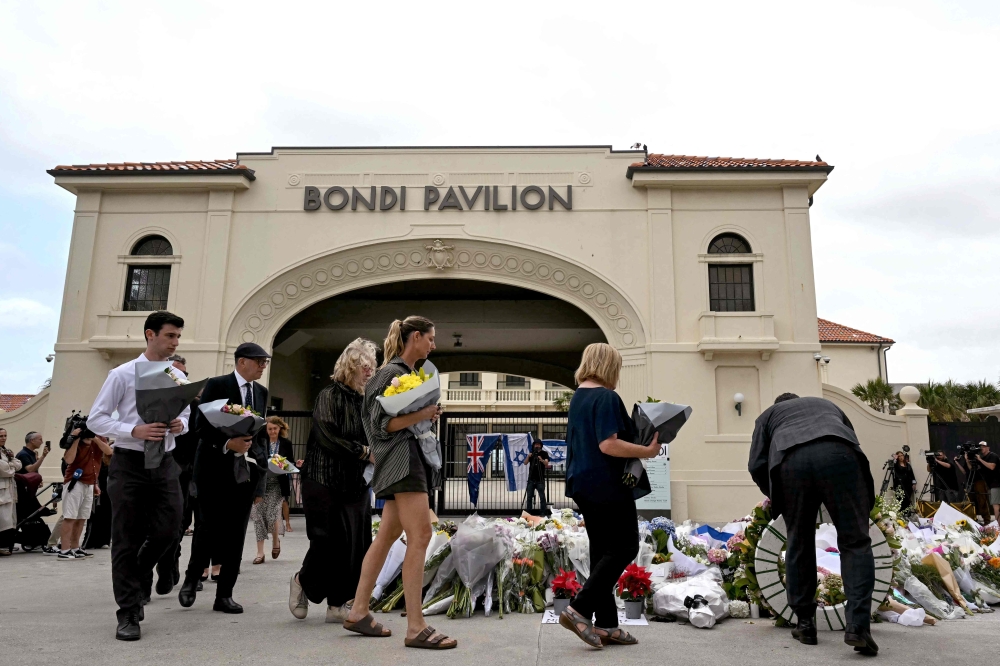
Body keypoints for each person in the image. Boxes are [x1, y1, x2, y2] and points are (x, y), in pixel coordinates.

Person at [343, 316, 457, 650]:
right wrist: (422, 414)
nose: (433, 345)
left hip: (402, 461)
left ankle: (359, 611)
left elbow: (393, 421)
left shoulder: (402, 374)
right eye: (431, 339)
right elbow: (381, 426)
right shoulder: (390, 373)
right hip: (402, 462)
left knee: (387, 536)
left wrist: (424, 412)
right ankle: (415, 626)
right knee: (421, 535)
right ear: (416, 337)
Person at [749, 393, 878, 655]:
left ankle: (805, 624)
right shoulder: (828, 405)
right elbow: (849, 437)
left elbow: (756, 464)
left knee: (799, 542)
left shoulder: (768, 417)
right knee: (855, 542)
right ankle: (857, 626)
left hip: (791, 462)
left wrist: (776, 496)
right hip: (840, 456)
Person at [88, 310, 191, 641]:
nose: (175, 342)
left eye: (177, 337)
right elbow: (96, 420)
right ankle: (129, 612)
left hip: (164, 461)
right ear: (150, 335)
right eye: (170, 336)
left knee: (171, 526)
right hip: (129, 462)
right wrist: (133, 429)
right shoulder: (121, 374)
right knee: (126, 538)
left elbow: (187, 415)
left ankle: (138, 573)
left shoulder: (178, 377)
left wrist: (180, 424)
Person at [558, 343, 659, 649]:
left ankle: (606, 625)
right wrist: (647, 451)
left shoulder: (579, 397)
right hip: (607, 483)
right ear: (609, 366)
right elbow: (608, 444)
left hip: (584, 484)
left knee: (603, 551)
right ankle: (579, 608)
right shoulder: (606, 396)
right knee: (626, 545)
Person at [178, 342, 271, 615]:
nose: (263, 366)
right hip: (212, 470)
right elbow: (201, 427)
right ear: (242, 362)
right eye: (259, 362)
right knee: (206, 527)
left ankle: (225, 595)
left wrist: (263, 464)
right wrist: (227, 444)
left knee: (235, 534)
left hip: (245, 474)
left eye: (265, 362)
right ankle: (192, 577)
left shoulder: (261, 393)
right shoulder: (217, 385)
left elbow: (259, 432)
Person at [289, 338, 376, 623]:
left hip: (356, 482)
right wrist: (364, 451)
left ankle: (337, 604)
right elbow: (328, 437)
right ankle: (302, 581)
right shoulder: (328, 395)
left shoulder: (367, 401)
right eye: (365, 366)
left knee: (355, 544)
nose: (369, 372)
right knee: (327, 541)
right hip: (323, 478)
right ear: (350, 366)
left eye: (372, 367)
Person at [153, 355, 199, 595]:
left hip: (184, 473)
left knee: (178, 524)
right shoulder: (148, 400)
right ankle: (144, 578)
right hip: (150, 467)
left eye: (183, 376)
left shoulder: (194, 403)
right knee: (151, 526)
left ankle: (168, 566)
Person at [59, 427, 112, 559]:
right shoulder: (76, 441)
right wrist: (76, 438)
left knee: (82, 517)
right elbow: (69, 460)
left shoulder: (99, 439)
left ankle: (76, 547)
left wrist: (94, 438)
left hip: (90, 483)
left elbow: (109, 451)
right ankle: (64, 550)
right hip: (75, 482)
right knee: (70, 516)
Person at [251, 415, 294, 564]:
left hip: (277, 482)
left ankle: (276, 541)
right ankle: (260, 552)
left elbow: (291, 463)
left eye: (275, 429)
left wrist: (280, 462)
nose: (272, 432)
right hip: (260, 483)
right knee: (258, 517)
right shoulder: (260, 442)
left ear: (280, 428)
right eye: (269, 429)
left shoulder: (286, 444)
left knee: (272, 514)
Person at [968, 441, 1000, 524]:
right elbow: (971, 468)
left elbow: (992, 467)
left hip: (996, 484)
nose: (981, 448)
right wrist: (966, 459)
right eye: (980, 446)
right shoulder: (982, 458)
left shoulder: (992, 455)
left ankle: (998, 526)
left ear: (988, 448)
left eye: (983, 446)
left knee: (996, 505)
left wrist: (979, 459)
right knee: (995, 504)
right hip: (990, 485)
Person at [0, 435, 22, 556]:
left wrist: (10, 463)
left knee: (9, 519)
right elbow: (4, 469)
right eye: (0, 436)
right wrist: (11, 465)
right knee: (3, 519)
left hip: (9, 489)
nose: (3, 438)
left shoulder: (5, 451)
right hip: (1, 490)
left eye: (5, 436)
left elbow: (18, 464)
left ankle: (7, 545)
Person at [525, 439, 551, 515]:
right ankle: (529, 512)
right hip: (531, 479)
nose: (537, 446)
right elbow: (525, 463)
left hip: (540, 479)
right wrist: (528, 456)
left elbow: (546, 464)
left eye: (538, 444)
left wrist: (541, 460)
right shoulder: (531, 453)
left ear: (541, 445)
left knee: (542, 497)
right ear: (533, 446)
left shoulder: (544, 453)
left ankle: (543, 512)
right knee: (529, 497)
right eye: (535, 444)